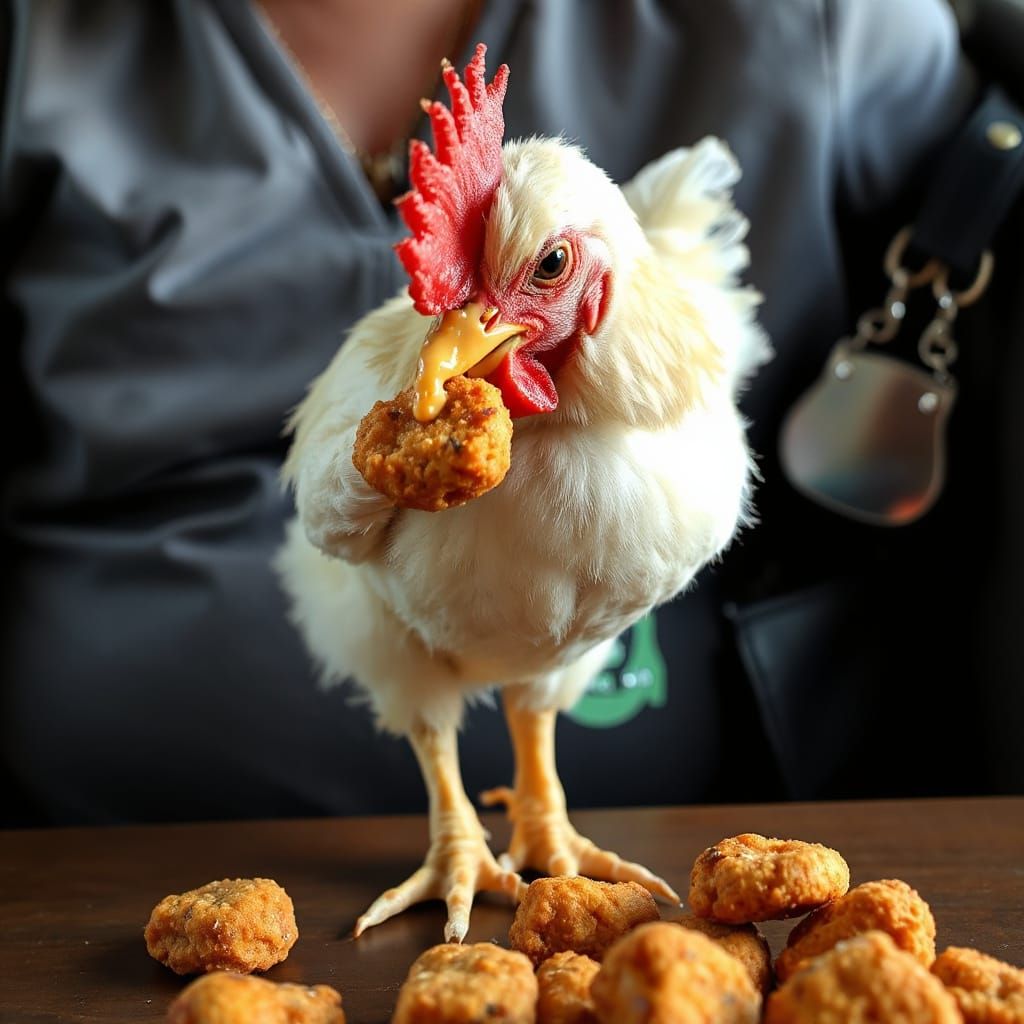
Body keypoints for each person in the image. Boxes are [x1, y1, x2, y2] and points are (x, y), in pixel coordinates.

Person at [1, 0, 1018, 828]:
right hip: (85, 872)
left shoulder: (823, 21)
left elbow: (987, 184)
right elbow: (336, 526)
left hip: (696, 864)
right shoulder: (40, 47)